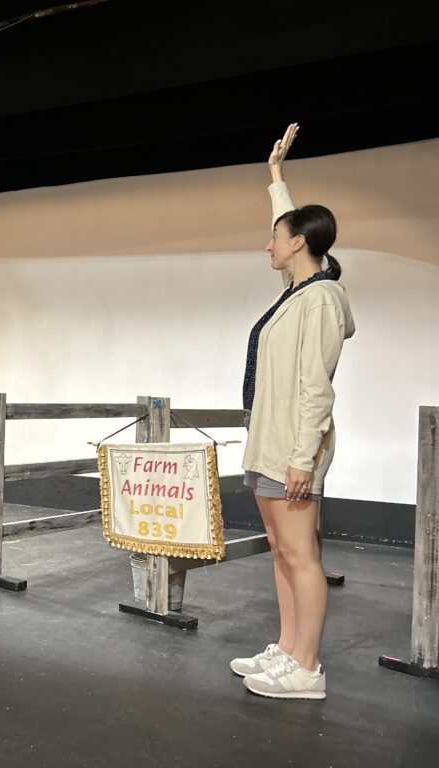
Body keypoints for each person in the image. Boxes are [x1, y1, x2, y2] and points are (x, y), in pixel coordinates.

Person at [230, 124, 355, 700]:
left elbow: (317, 389)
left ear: (299, 243)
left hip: (293, 449)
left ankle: (307, 668)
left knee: (302, 554)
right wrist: (277, 177)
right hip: (268, 441)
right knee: (281, 550)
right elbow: (291, 224)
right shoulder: (295, 290)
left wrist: (303, 457)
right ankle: (285, 649)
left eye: (276, 238)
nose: (268, 246)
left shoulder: (323, 300)